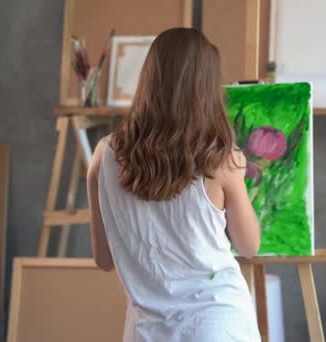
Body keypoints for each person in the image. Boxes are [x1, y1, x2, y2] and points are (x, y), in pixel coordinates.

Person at [86, 27, 261, 341]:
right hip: (216, 323)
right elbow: (249, 246)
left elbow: (104, 259)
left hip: (147, 329)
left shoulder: (104, 156)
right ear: (206, 89)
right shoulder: (223, 159)